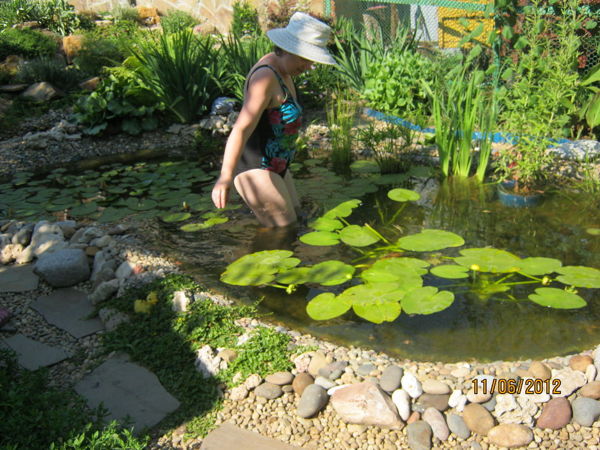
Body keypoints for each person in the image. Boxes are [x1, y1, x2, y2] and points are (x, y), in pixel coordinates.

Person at [211, 12, 336, 228]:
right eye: (305, 58)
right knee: (283, 233)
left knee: (296, 220)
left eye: (311, 60)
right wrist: (225, 177)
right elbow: (241, 129)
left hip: (277, 166)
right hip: (255, 168)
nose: (308, 66)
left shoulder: (283, 71)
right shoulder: (265, 77)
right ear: (288, 48)